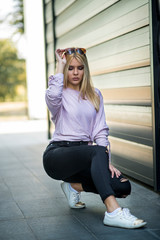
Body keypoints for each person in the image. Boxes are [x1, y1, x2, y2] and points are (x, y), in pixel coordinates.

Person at [43, 47, 147, 229]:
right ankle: (113, 212)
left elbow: (100, 131)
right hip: (58, 155)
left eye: (80, 68)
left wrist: (105, 161)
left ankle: (73, 186)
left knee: (123, 187)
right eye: (70, 68)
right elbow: (52, 95)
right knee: (97, 152)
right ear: (65, 70)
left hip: (87, 155)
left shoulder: (95, 94)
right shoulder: (58, 95)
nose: (75, 72)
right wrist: (60, 65)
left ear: (86, 70)